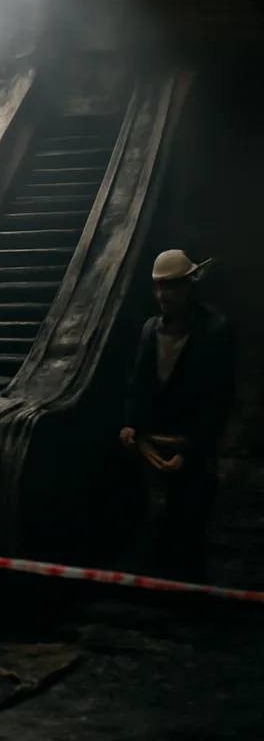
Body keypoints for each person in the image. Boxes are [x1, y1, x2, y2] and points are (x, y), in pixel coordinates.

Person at [119, 249, 236, 582]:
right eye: (158, 287)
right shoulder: (150, 330)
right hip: (153, 444)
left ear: (188, 286)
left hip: (191, 444)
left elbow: (219, 399)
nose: (162, 295)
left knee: (189, 520)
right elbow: (139, 381)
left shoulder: (215, 331)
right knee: (154, 523)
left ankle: (189, 592)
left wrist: (192, 450)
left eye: (170, 286)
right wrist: (130, 422)